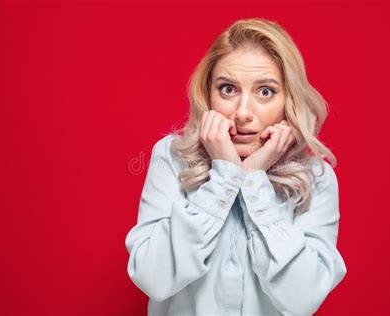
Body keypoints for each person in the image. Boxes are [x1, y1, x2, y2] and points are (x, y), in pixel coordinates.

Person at [125, 17, 347, 316]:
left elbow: (303, 298)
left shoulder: (315, 179)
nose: (243, 113)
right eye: (228, 89)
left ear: (288, 99)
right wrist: (225, 175)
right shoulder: (172, 157)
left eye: (265, 92)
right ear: (209, 95)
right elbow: (153, 278)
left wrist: (253, 176)